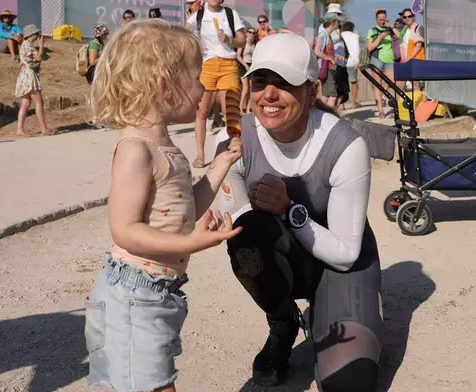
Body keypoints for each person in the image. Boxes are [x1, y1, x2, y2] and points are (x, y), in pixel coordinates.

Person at [214, 33, 382, 391]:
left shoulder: (345, 145)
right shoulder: (234, 142)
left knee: (349, 382)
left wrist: (288, 208)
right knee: (248, 236)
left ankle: (334, 309)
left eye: (285, 83)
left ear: (312, 90)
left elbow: (345, 254)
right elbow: (243, 232)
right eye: (260, 82)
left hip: (342, 265)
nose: (269, 95)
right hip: (289, 258)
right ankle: (283, 323)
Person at [85, 19, 243, 392]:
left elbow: (184, 208)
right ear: (163, 85)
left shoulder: (166, 149)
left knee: (150, 383)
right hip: (132, 296)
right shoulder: (136, 150)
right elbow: (125, 230)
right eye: (197, 79)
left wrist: (220, 165)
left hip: (156, 293)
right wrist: (192, 244)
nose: (205, 88)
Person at [186, 0, 246, 168]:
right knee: (202, 112)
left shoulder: (230, 14)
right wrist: (191, 14)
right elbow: (185, 34)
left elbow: (242, 41)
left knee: (230, 110)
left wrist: (229, 39)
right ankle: (200, 155)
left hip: (228, 65)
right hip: (207, 66)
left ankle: (234, 151)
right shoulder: (198, 15)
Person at [15, 25, 50, 137]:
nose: (38, 36)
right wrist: (41, 46)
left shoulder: (23, 45)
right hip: (29, 75)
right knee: (39, 102)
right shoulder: (28, 45)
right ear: (31, 35)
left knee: (25, 103)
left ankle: (19, 129)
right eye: (36, 34)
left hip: (23, 75)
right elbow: (39, 58)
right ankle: (44, 129)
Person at [367, 9, 402, 118]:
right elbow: (370, 47)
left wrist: (391, 26)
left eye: (384, 19)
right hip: (377, 59)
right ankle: (381, 111)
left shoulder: (389, 29)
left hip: (389, 60)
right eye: (380, 19)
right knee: (377, 85)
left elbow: (399, 37)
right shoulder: (372, 31)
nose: (382, 21)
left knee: (394, 82)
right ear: (376, 19)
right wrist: (380, 38)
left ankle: (385, 98)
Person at [314, 15, 339, 108]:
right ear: (332, 23)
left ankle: (323, 113)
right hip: (327, 68)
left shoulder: (327, 35)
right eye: (337, 22)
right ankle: (329, 115)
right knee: (332, 95)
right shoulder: (323, 35)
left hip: (327, 67)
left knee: (325, 94)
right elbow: (317, 51)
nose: (338, 24)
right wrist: (330, 58)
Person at [399, 7, 425, 91]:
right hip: (408, 61)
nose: (407, 18)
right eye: (405, 17)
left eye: (409, 16)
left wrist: (410, 58)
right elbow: (404, 46)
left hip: (416, 60)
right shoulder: (406, 30)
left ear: (414, 17)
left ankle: (418, 103)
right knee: (408, 85)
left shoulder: (418, 28)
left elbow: (418, 46)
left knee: (416, 84)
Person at [340, 21, 361, 108]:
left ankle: (341, 104)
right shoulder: (355, 36)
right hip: (352, 61)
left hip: (341, 62)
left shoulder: (340, 35)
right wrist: (357, 62)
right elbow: (357, 49)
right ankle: (354, 102)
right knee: (353, 82)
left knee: (341, 83)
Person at [237, 27, 256, 115]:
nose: (251, 34)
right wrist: (245, 65)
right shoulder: (243, 43)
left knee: (252, 89)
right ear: (247, 33)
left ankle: (248, 109)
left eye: (253, 33)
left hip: (251, 65)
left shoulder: (254, 44)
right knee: (245, 88)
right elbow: (238, 56)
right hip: (243, 64)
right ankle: (240, 108)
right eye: (250, 32)